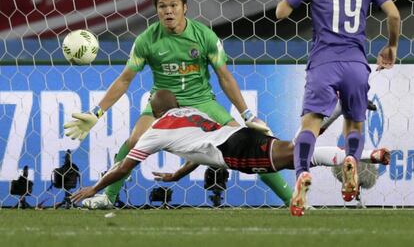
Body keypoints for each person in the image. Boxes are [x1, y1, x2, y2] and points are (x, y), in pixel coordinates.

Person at [64, 0, 292, 209]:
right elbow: (125, 79)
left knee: (248, 142)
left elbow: (225, 77)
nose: (168, 11)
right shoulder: (146, 40)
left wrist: (247, 114)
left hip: (202, 101)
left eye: (173, 5)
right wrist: (97, 112)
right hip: (163, 104)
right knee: (134, 141)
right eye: (162, 6)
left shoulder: (204, 36)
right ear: (156, 10)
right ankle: (107, 197)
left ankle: (293, 200)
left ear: (185, 8)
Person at [70, 90, 390, 205]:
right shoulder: (191, 114)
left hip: (235, 151)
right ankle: (358, 147)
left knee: (295, 153)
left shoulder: (155, 131)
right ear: (177, 104)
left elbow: (124, 166)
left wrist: (94, 187)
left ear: (154, 112)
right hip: (239, 136)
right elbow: (198, 150)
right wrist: (180, 174)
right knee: (297, 152)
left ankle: (352, 137)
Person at [275, 0, 400, 216]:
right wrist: (391, 46)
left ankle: (302, 173)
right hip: (356, 63)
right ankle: (352, 159)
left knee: (310, 124)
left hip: (324, 63)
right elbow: (394, 15)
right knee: (354, 124)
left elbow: (281, 13)